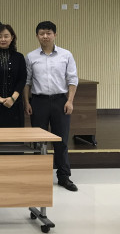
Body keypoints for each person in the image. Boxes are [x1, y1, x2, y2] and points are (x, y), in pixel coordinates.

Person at [24, 21, 79, 192]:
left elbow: (72, 79)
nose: (45, 36)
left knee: (61, 140)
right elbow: (27, 82)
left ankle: (64, 177)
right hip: (38, 101)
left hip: (60, 101)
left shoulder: (66, 55)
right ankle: (38, 176)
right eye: (42, 33)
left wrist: (70, 101)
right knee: (38, 141)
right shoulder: (31, 57)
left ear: (55, 35)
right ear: (37, 36)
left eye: (48, 33)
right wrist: (27, 102)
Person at [0, 24, 27, 127]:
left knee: (15, 135)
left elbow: (22, 79)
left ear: (12, 38)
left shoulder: (19, 57)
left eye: (6, 36)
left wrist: (12, 98)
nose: (3, 39)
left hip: (15, 104)